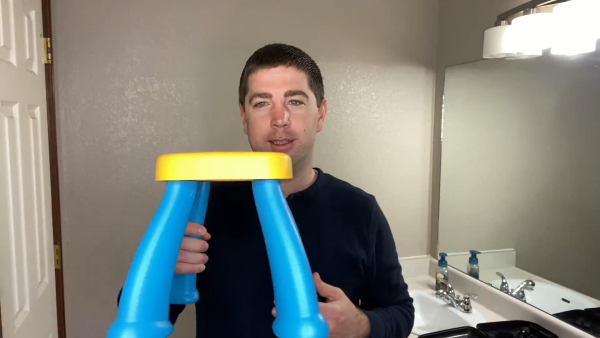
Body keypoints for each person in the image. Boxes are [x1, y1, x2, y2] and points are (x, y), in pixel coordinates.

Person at [120, 43, 415, 338]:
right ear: (243, 117)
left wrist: (362, 325)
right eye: (261, 103)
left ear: (321, 114)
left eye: (295, 102)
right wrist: (166, 275)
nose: (279, 119)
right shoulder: (202, 203)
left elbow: (400, 311)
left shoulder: (361, 211)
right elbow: (132, 312)